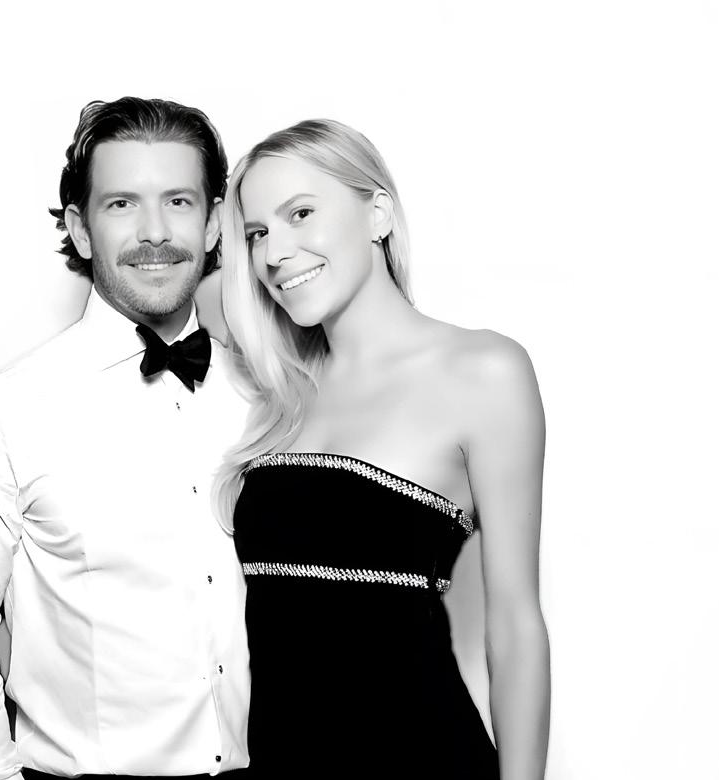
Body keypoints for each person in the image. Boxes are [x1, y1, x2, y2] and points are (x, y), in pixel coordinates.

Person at [0, 97, 251, 780]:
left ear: (214, 223)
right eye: (122, 204)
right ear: (80, 229)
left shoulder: (269, 398)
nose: (155, 232)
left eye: (178, 202)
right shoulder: (0, 414)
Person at [214, 119, 551, 779]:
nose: (275, 253)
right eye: (256, 234)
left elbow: (515, 624)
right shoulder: (276, 395)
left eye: (300, 214)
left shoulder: (482, 372)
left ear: (378, 214)